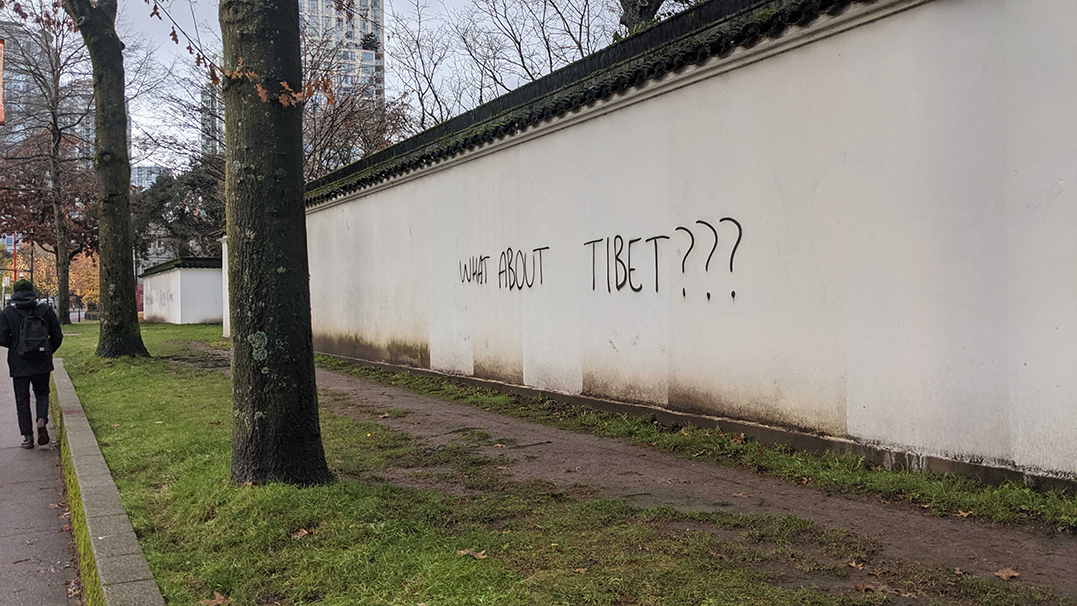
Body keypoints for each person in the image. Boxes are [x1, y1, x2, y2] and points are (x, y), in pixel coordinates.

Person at [0, 280, 63, 448]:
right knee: (42, 393)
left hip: (19, 363)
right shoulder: (45, 310)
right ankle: (41, 419)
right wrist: (47, 350)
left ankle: (28, 437)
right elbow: (57, 336)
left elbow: (2, 337)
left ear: (15, 292)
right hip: (42, 362)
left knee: (22, 399)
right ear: (32, 291)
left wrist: (16, 347)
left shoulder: (8, 312)